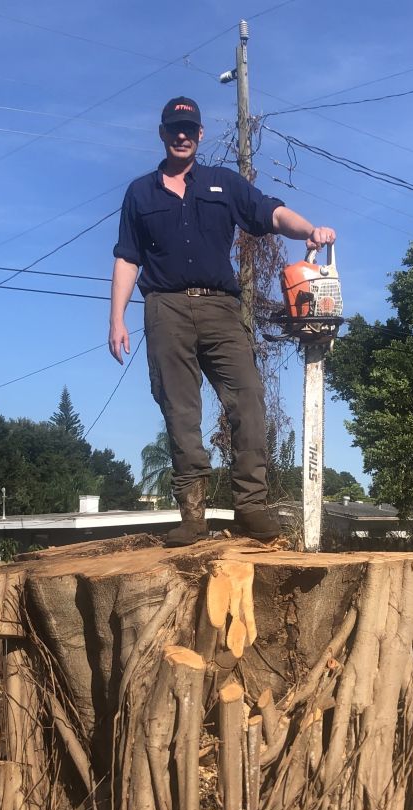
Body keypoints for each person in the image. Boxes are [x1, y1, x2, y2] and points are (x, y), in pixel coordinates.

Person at [109, 96, 335, 546]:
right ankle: (192, 515)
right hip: (165, 308)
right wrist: (116, 319)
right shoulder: (140, 192)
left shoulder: (222, 183)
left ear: (199, 135)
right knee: (179, 408)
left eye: (189, 128)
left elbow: (271, 212)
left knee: (248, 396)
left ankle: (250, 505)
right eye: (174, 128)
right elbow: (127, 258)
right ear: (162, 133)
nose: (181, 135)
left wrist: (308, 229)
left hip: (221, 308)